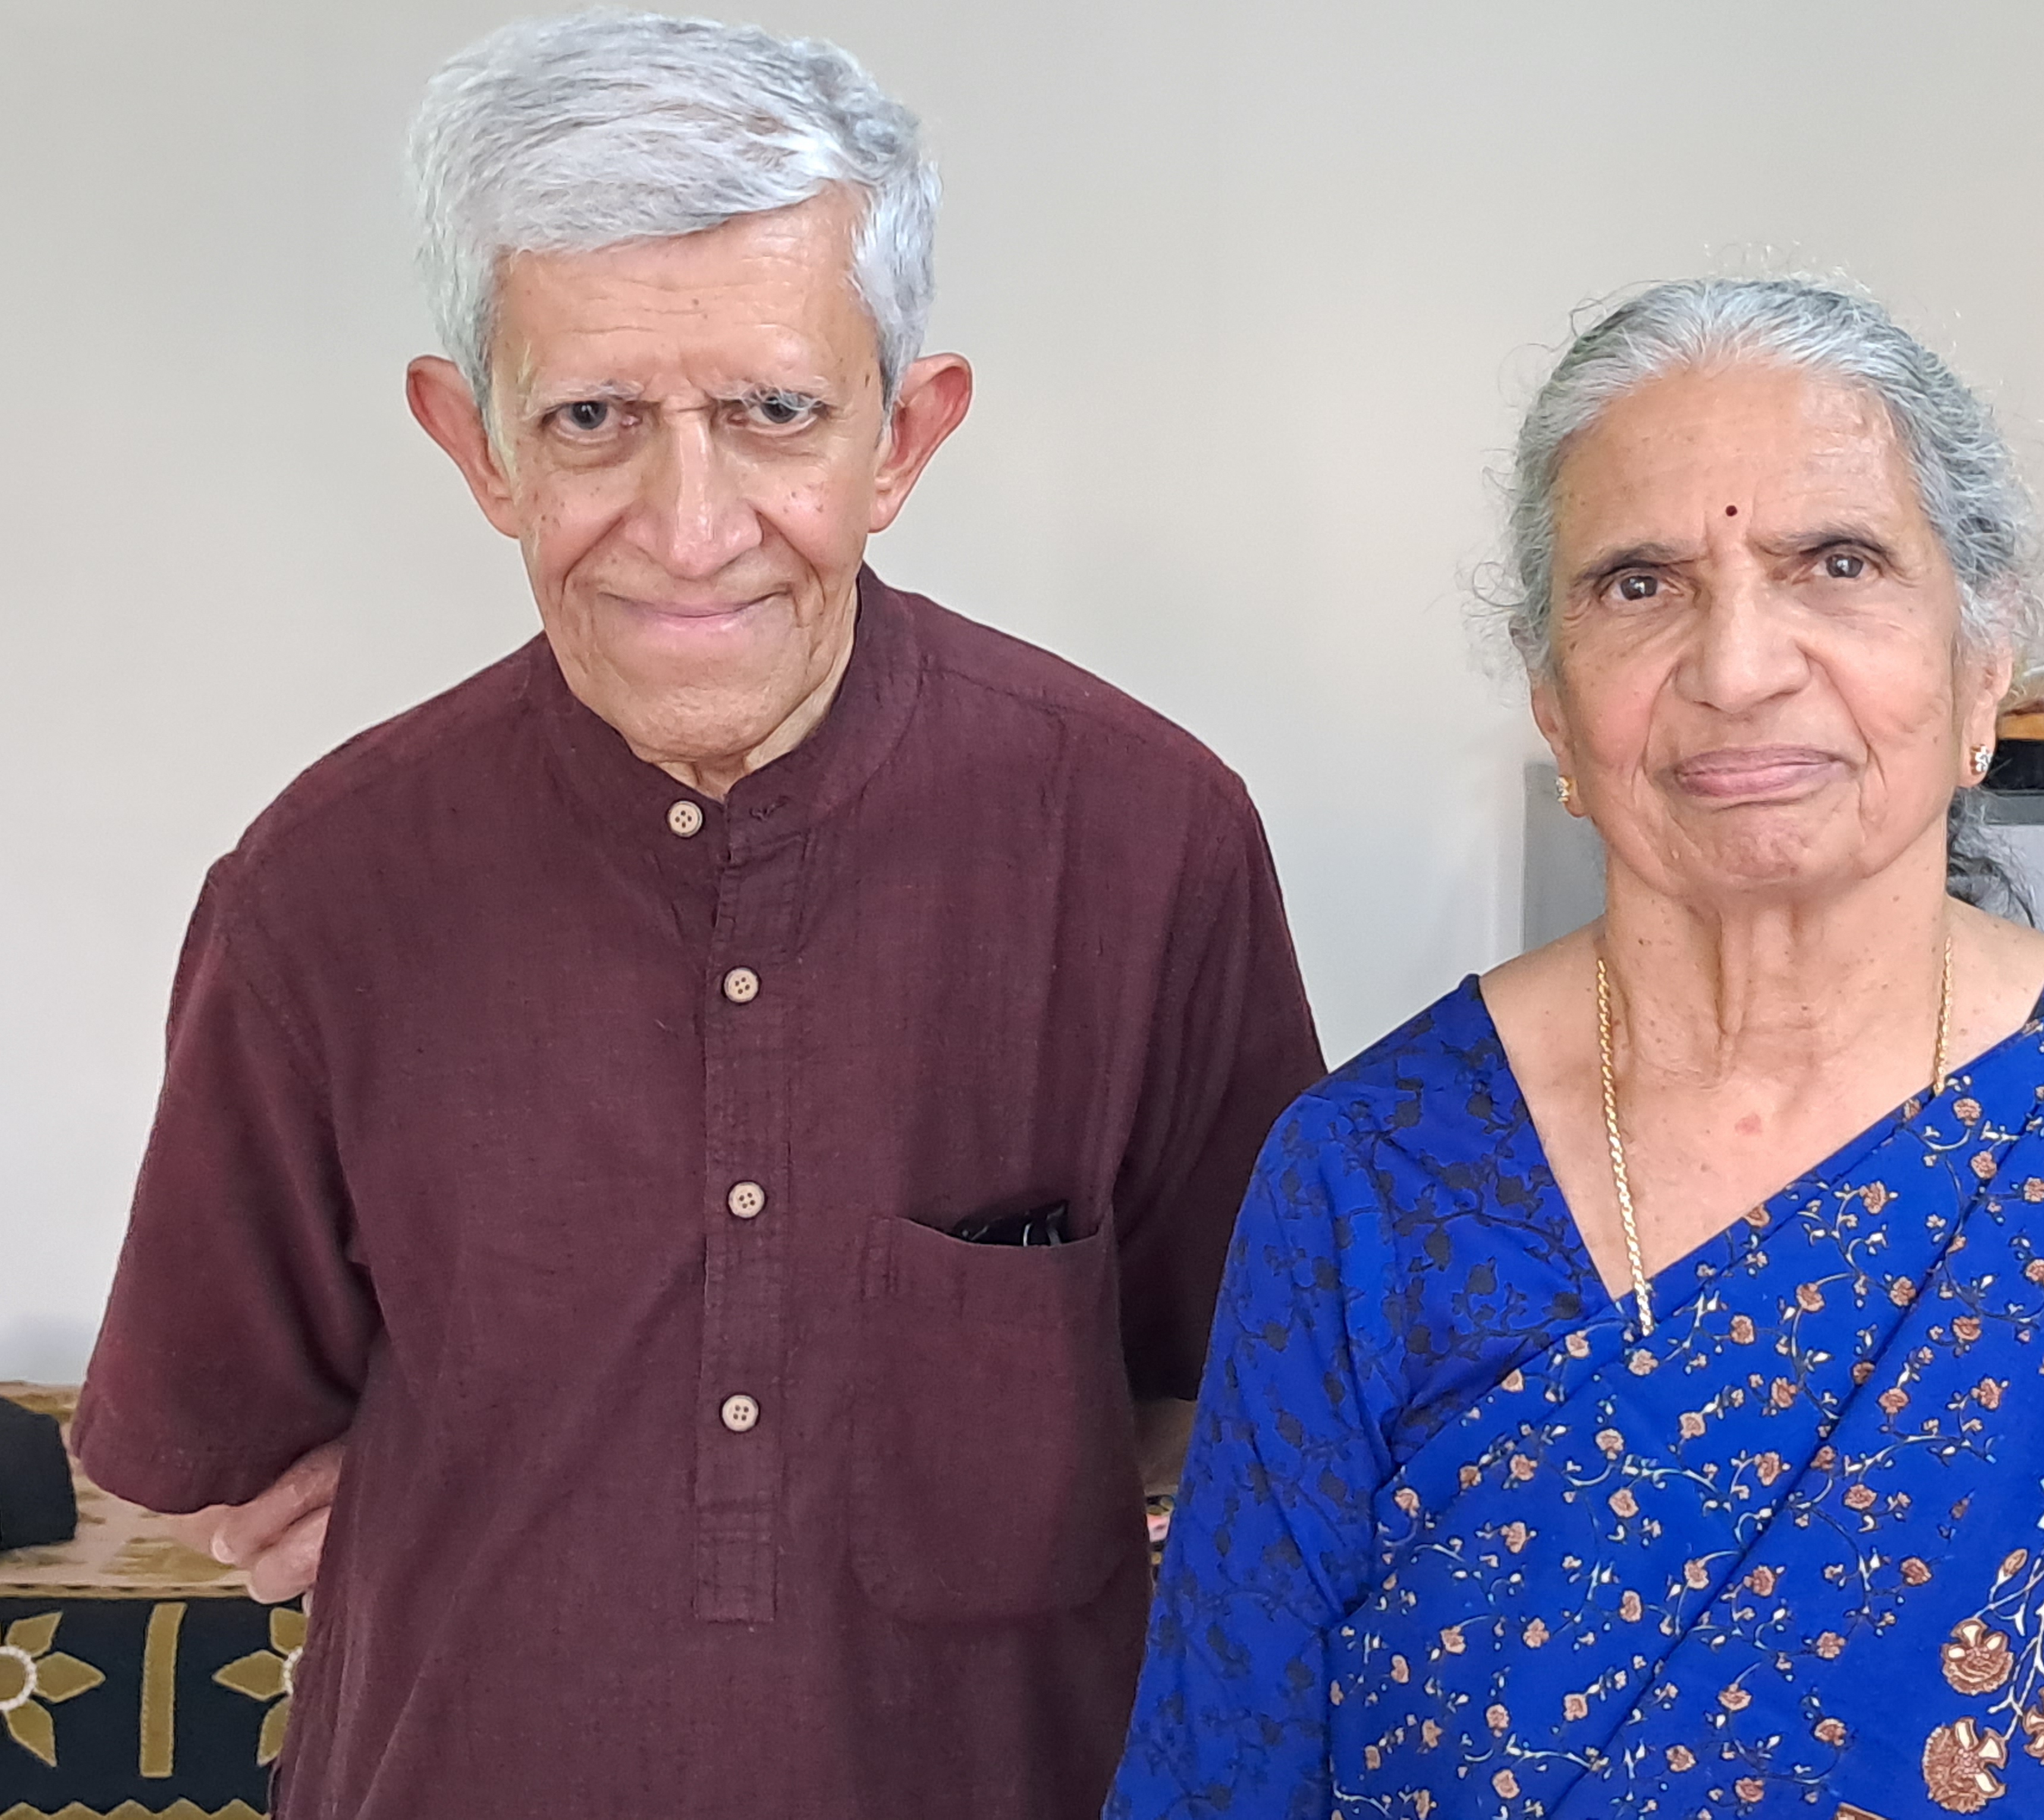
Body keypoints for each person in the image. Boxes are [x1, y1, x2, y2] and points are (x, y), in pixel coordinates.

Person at [72, 14, 1323, 1818]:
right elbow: (217, 1460)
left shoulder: (1151, 839)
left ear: (903, 435)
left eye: (773, 414)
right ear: (475, 442)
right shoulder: (318, 892)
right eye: (593, 417)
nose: (689, 523)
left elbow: (1247, 1400)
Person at [1106, 278, 2044, 1819]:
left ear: (1984, 664)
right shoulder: (1367, 1180)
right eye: (1638, 584)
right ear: (1553, 698)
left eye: (1840, 563)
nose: (1739, 665)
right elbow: (1223, 1772)